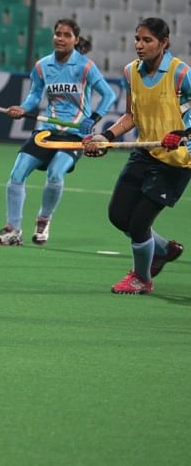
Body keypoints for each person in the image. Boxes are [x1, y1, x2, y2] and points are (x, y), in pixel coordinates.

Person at [83, 17, 190, 295]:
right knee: (118, 216)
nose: (139, 46)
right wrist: (106, 137)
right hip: (144, 152)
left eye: (147, 40)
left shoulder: (181, 73)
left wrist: (181, 132)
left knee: (140, 223)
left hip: (176, 161)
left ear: (164, 43)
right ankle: (164, 250)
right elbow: (131, 115)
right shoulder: (131, 72)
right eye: (137, 39)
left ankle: (141, 279)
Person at [0, 18, 116, 246]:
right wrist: (22, 108)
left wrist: (93, 118)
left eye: (67, 35)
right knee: (16, 175)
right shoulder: (42, 66)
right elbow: (34, 95)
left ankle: (44, 220)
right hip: (46, 132)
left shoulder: (85, 66)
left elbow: (109, 95)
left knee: (56, 174)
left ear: (75, 40)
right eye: (58, 33)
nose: (60, 38)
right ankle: (13, 230)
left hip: (75, 135)